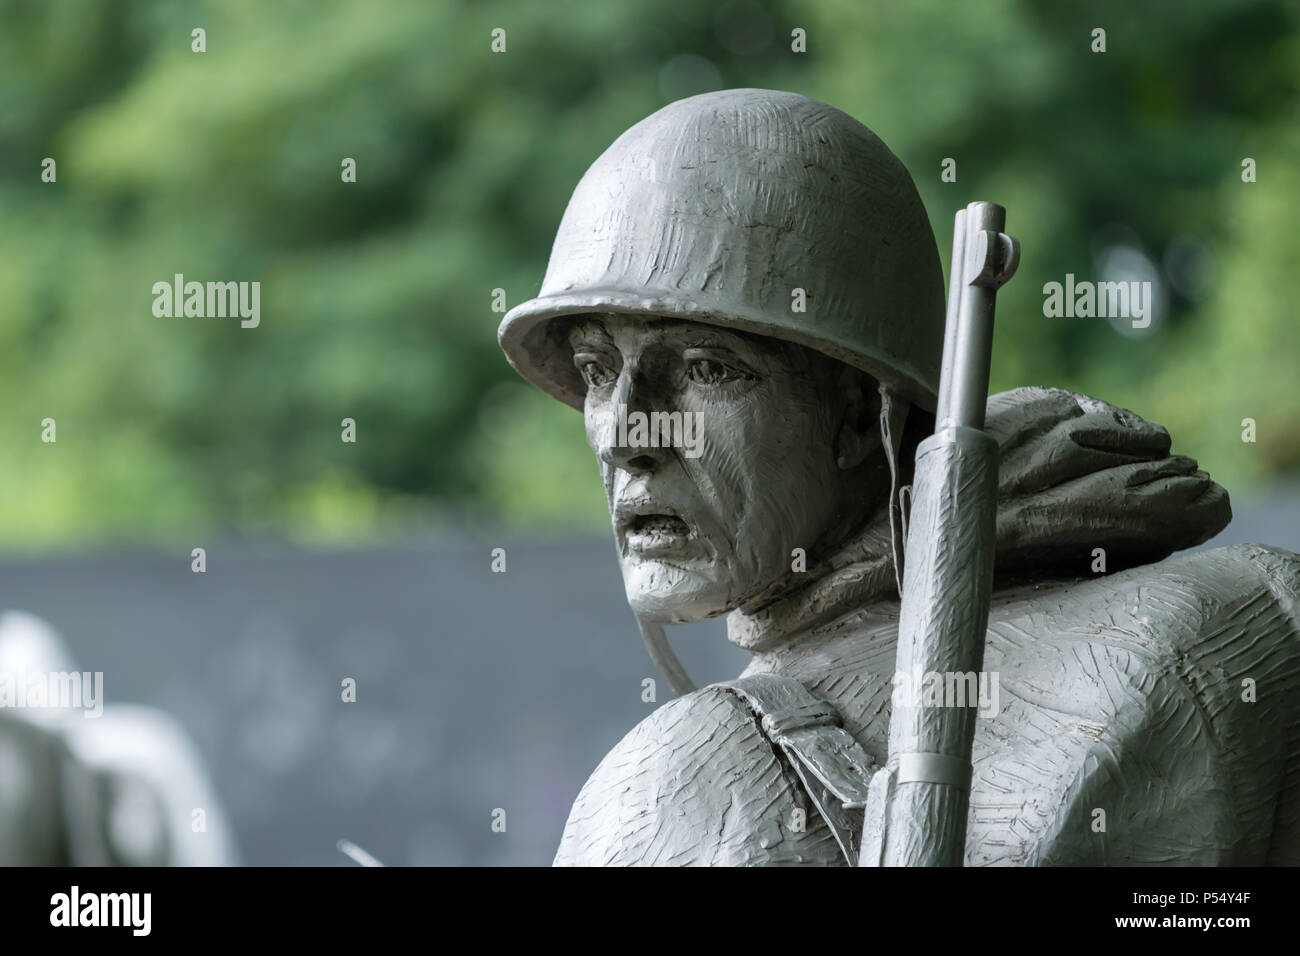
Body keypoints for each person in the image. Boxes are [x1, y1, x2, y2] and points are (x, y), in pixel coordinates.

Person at [498, 89, 1300, 866]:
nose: (628, 433)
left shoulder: (685, 781)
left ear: (857, 416)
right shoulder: (1265, 609)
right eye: (597, 370)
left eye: (708, 369)